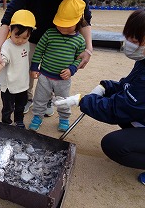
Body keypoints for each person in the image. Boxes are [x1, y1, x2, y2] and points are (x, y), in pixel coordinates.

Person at [53, 9, 145, 185]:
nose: (128, 44)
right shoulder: (143, 62)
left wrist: (82, 100)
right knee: (127, 116)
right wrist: (106, 86)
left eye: (134, 41)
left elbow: (117, 110)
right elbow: (128, 87)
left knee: (113, 145)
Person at [0, 0, 93, 116]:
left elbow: (84, 17)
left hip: (59, 36)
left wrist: (89, 48)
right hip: (30, 34)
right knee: (24, 66)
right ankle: (25, 96)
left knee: (54, 68)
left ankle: (47, 99)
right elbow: (9, 16)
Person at [29, 0, 86, 132]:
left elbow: (79, 58)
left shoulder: (80, 40)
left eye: (67, 24)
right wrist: (34, 67)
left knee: (63, 101)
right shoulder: (49, 34)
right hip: (45, 76)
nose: (62, 27)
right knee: (39, 99)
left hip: (63, 80)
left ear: (78, 21)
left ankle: (64, 118)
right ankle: (37, 117)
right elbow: (39, 51)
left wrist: (72, 69)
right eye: (60, 23)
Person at [0, 10, 36, 129]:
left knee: (21, 106)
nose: (20, 40)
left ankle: (19, 121)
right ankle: (6, 122)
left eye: (25, 37)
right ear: (10, 30)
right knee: (8, 107)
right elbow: (2, 61)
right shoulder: (7, 45)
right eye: (17, 36)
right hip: (8, 86)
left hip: (23, 84)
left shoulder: (27, 44)